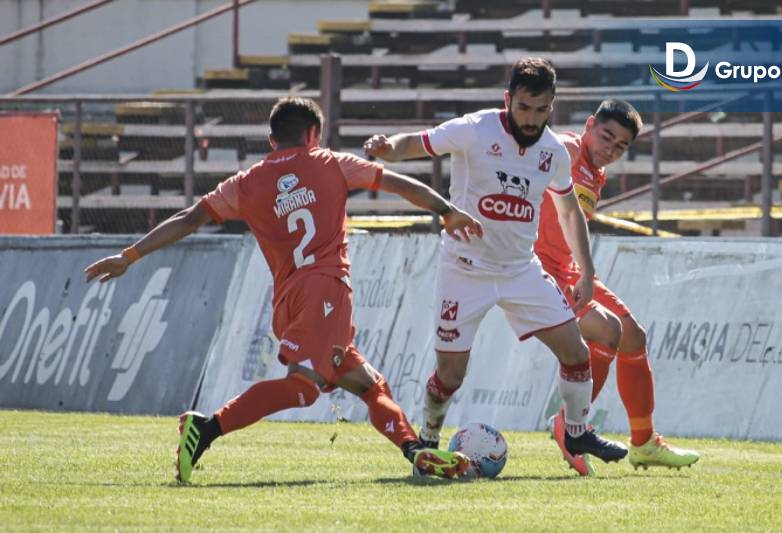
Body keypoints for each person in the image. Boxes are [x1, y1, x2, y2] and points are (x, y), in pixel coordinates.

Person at [85, 97, 483, 483]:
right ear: (314, 134)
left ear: (271, 140)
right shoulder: (331, 163)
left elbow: (189, 218)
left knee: (368, 384)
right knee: (304, 388)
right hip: (326, 290)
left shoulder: (246, 182)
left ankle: (415, 452)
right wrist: (446, 210)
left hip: (287, 301)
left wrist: (130, 255)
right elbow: (398, 184)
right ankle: (205, 429)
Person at [364, 57, 628, 474]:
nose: (531, 118)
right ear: (508, 99)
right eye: (524, 107)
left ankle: (576, 430)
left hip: (520, 271)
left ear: (552, 106)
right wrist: (387, 148)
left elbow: (569, 213)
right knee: (449, 377)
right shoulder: (475, 129)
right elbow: (417, 142)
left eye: (541, 110)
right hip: (464, 271)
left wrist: (588, 272)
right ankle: (428, 440)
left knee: (576, 354)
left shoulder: (553, 152)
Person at [536, 98, 700, 473]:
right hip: (538, 269)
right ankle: (570, 424)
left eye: (620, 146)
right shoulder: (569, 148)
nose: (609, 149)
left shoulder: (596, 173)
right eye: (605, 137)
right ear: (589, 125)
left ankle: (643, 443)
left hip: (568, 269)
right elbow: (541, 150)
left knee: (633, 337)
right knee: (606, 331)